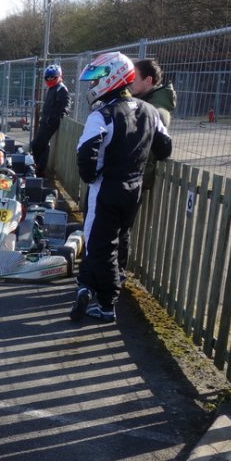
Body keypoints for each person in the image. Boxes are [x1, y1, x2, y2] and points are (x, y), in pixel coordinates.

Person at [70, 51, 172, 323]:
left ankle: (106, 303)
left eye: (97, 80)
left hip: (106, 188)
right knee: (120, 239)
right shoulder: (150, 111)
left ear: (112, 78)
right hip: (134, 187)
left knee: (98, 244)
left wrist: (91, 176)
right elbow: (165, 148)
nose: (93, 86)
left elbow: (85, 155)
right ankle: (95, 285)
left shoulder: (102, 115)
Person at [118, 58, 177, 277]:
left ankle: (117, 274)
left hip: (136, 177)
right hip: (130, 175)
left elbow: (156, 146)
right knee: (118, 227)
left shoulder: (156, 110)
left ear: (148, 80)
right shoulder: (140, 101)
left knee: (122, 229)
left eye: (134, 77)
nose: (129, 82)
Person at [30, 64, 71, 177]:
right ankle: (40, 168)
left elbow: (67, 102)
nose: (50, 79)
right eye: (48, 77)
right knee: (42, 145)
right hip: (46, 120)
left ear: (58, 76)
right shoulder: (52, 88)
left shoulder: (61, 88)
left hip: (51, 122)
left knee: (36, 145)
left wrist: (63, 112)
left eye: (52, 77)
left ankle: (39, 168)